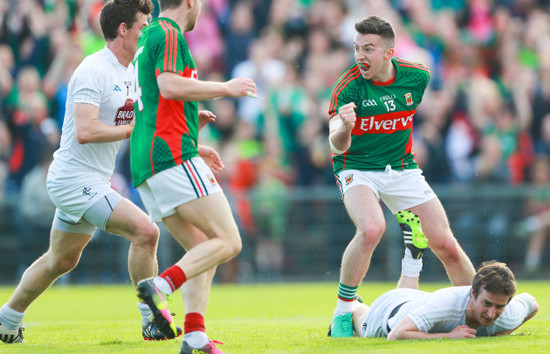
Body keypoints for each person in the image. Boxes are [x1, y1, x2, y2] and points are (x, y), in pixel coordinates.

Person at [0, 0, 180, 344]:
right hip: (72, 179)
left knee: (61, 260)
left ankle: (6, 320)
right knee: (146, 232)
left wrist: (189, 133)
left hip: (93, 180)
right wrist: (136, 129)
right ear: (123, 30)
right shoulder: (92, 69)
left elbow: (151, 122)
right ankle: (152, 320)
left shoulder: (133, 70)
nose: (149, 32)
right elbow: (86, 131)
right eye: (144, 25)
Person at [327, 15, 476, 337]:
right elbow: (335, 144)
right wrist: (345, 127)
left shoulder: (417, 77)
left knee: (446, 244)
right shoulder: (349, 85)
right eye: (356, 49)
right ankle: (341, 313)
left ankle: (478, 312)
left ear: (388, 53)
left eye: (368, 49)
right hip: (356, 166)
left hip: (402, 167)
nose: (360, 56)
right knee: (371, 229)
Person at [129, 0, 257, 353]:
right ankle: (162, 286)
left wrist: (193, 136)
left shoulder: (149, 36)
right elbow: (169, 86)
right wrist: (226, 88)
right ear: (190, 2)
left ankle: (195, 337)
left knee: (204, 248)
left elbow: (156, 101)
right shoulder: (169, 33)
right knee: (230, 241)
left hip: (150, 162)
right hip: (169, 156)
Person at [350, 260, 538, 339]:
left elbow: (532, 304)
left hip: (418, 301)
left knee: (419, 310)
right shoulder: (446, 304)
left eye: (499, 307)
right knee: (360, 321)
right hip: (388, 313)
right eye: (487, 304)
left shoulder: (508, 315)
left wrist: (502, 333)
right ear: (473, 293)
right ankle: (352, 305)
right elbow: (395, 335)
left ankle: (412, 257)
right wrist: (448, 336)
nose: (491, 314)